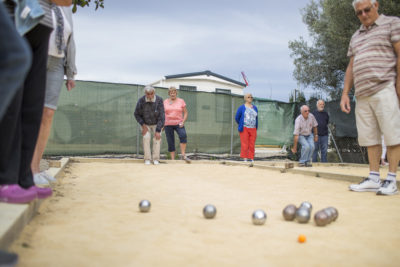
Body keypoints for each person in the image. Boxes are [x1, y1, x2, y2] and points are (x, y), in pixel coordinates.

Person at [0, 0, 72, 204]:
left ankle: (24, 179)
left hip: (43, 24)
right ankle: (5, 178)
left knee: (31, 108)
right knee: (13, 104)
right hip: (16, 15)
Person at [340, 0, 400, 195]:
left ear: (376, 5)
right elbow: (351, 66)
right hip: (362, 93)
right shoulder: (356, 36)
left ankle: (391, 180)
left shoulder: (392, 23)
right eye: (359, 12)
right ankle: (374, 178)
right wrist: (345, 93)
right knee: (369, 138)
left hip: (384, 87)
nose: (364, 15)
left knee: (392, 135)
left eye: (367, 9)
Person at [31, 4, 77, 185]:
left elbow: (71, 39)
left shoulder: (65, 7)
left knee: (48, 114)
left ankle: (35, 169)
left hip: (57, 63)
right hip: (36, 55)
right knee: (30, 113)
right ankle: (23, 170)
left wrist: (71, 71)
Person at [134, 85, 165, 165]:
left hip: (157, 123)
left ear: (154, 92)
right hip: (145, 123)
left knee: (157, 139)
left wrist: (158, 130)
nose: (150, 96)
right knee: (146, 138)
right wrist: (143, 125)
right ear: (145, 93)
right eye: (148, 94)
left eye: (151, 94)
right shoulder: (141, 100)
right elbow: (136, 114)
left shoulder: (159, 100)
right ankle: (147, 158)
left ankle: (156, 159)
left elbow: (162, 116)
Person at [163, 87, 190, 163]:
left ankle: (183, 155)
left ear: (176, 93)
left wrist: (183, 122)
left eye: (174, 92)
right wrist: (162, 125)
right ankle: (172, 159)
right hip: (168, 124)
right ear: (169, 94)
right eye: (171, 93)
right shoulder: (165, 102)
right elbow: (163, 114)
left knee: (183, 135)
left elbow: (186, 113)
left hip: (179, 123)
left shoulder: (181, 101)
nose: (172, 94)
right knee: (170, 140)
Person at [235, 93, 258, 164]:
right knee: (245, 143)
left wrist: (255, 126)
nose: (250, 98)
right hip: (244, 128)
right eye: (248, 97)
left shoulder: (255, 108)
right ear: (245, 98)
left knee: (252, 144)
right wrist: (241, 124)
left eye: (251, 97)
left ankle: (251, 158)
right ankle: (245, 158)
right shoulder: (241, 107)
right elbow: (237, 117)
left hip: (253, 128)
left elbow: (256, 118)